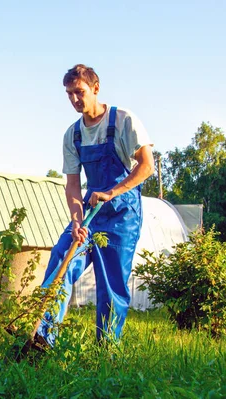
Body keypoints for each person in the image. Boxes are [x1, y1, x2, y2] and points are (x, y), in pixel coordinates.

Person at [36, 64, 154, 346]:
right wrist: (77, 221)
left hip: (122, 214)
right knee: (60, 262)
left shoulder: (123, 120)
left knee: (111, 285)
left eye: (79, 92)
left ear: (95, 88)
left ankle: (106, 352)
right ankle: (41, 338)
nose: (75, 99)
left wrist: (111, 192)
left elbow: (147, 166)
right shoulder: (73, 134)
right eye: (69, 94)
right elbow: (73, 184)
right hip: (90, 214)